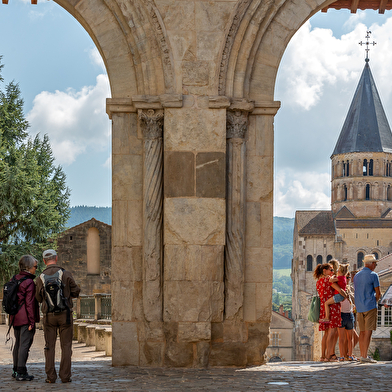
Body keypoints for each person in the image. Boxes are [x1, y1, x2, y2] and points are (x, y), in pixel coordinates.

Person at [35, 249, 80, 383]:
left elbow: (38, 297)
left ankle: (50, 377)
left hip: (49, 316)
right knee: (66, 346)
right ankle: (65, 376)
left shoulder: (40, 277)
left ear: (44, 261)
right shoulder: (65, 274)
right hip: (65, 315)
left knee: (49, 346)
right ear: (56, 258)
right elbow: (76, 291)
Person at [10, 255, 40, 381]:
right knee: (24, 345)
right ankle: (21, 372)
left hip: (15, 317)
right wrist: (32, 322)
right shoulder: (29, 282)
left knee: (18, 343)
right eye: (35, 267)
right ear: (28, 267)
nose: (36, 269)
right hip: (25, 318)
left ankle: (16, 369)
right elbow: (30, 304)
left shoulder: (15, 279)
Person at [353, 254, 381, 363]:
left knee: (362, 332)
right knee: (368, 332)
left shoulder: (357, 276)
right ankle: (365, 356)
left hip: (359, 307)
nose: (375, 266)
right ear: (372, 264)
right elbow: (378, 293)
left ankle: (362, 355)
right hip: (370, 306)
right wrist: (376, 301)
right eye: (375, 264)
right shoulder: (373, 275)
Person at [314, 263, 341, 361]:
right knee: (332, 331)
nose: (332, 272)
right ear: (324, 271)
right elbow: (339, 289)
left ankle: (323, 356)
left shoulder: (318, 282)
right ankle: (330, 355)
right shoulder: (329, 280)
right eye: (331, 269)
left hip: (323, 307)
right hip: (332, 306)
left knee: (326, 333)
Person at [337, 272, 357, 361]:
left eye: (349, 277)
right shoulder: (339, 289)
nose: (348, 279)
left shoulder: (351, 289)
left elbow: (354, 301)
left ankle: (350, 355)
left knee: (350, 338)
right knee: (341, 338)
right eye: (346, 277)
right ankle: (342, 355)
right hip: (341, 314)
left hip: (349, 314)